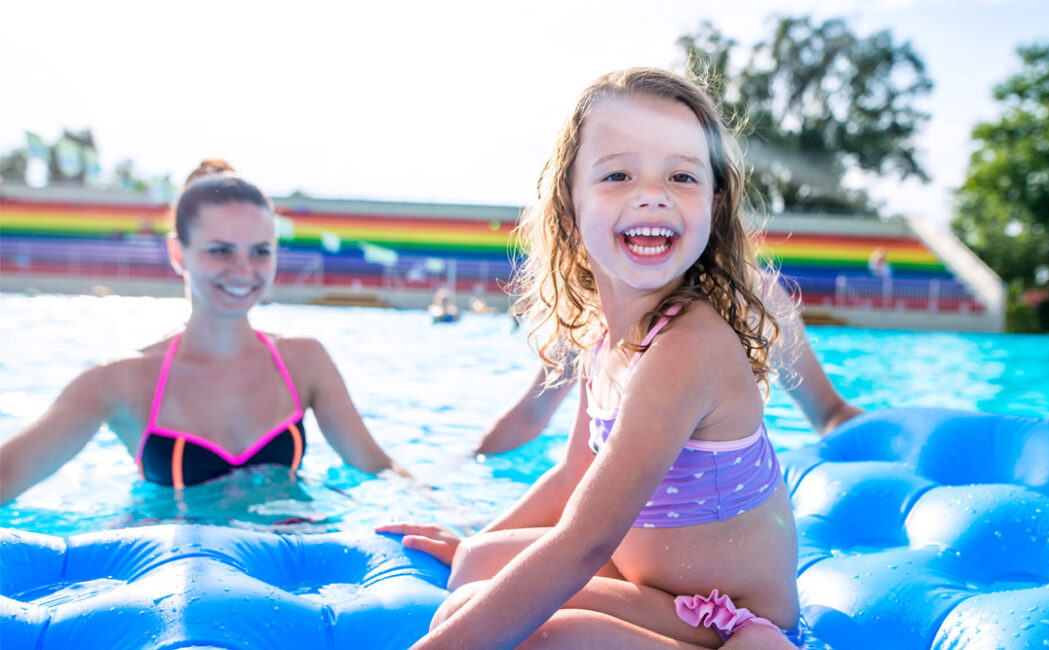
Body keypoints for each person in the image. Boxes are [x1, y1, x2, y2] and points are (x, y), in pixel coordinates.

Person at [382, 68, 816, 648]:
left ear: (713, 207)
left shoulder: (688, 346)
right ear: (568, 207)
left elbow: (585, 540)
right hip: (653, 589)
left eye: (681, 175)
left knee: (530, 637)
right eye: (617, 173)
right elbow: (574, 478)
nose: (651, 193)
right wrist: (476, 541)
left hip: (732, 624)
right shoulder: (603, 337)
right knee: (473, 568)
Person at [0, 169, 411, 505]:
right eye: (220, 250)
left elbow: (376, 467)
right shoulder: (120, 381)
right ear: (179, 253)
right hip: (173, 572)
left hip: (288, 568)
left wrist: (453, 519)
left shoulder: (305, 363)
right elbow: (8, 476)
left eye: (260, 251)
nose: (243, 270)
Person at [475, 277, 861, 454]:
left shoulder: (751, 298)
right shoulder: (592, 314)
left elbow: (829, 412)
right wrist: (461, 464)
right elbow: (532, 414)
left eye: (680, 177)